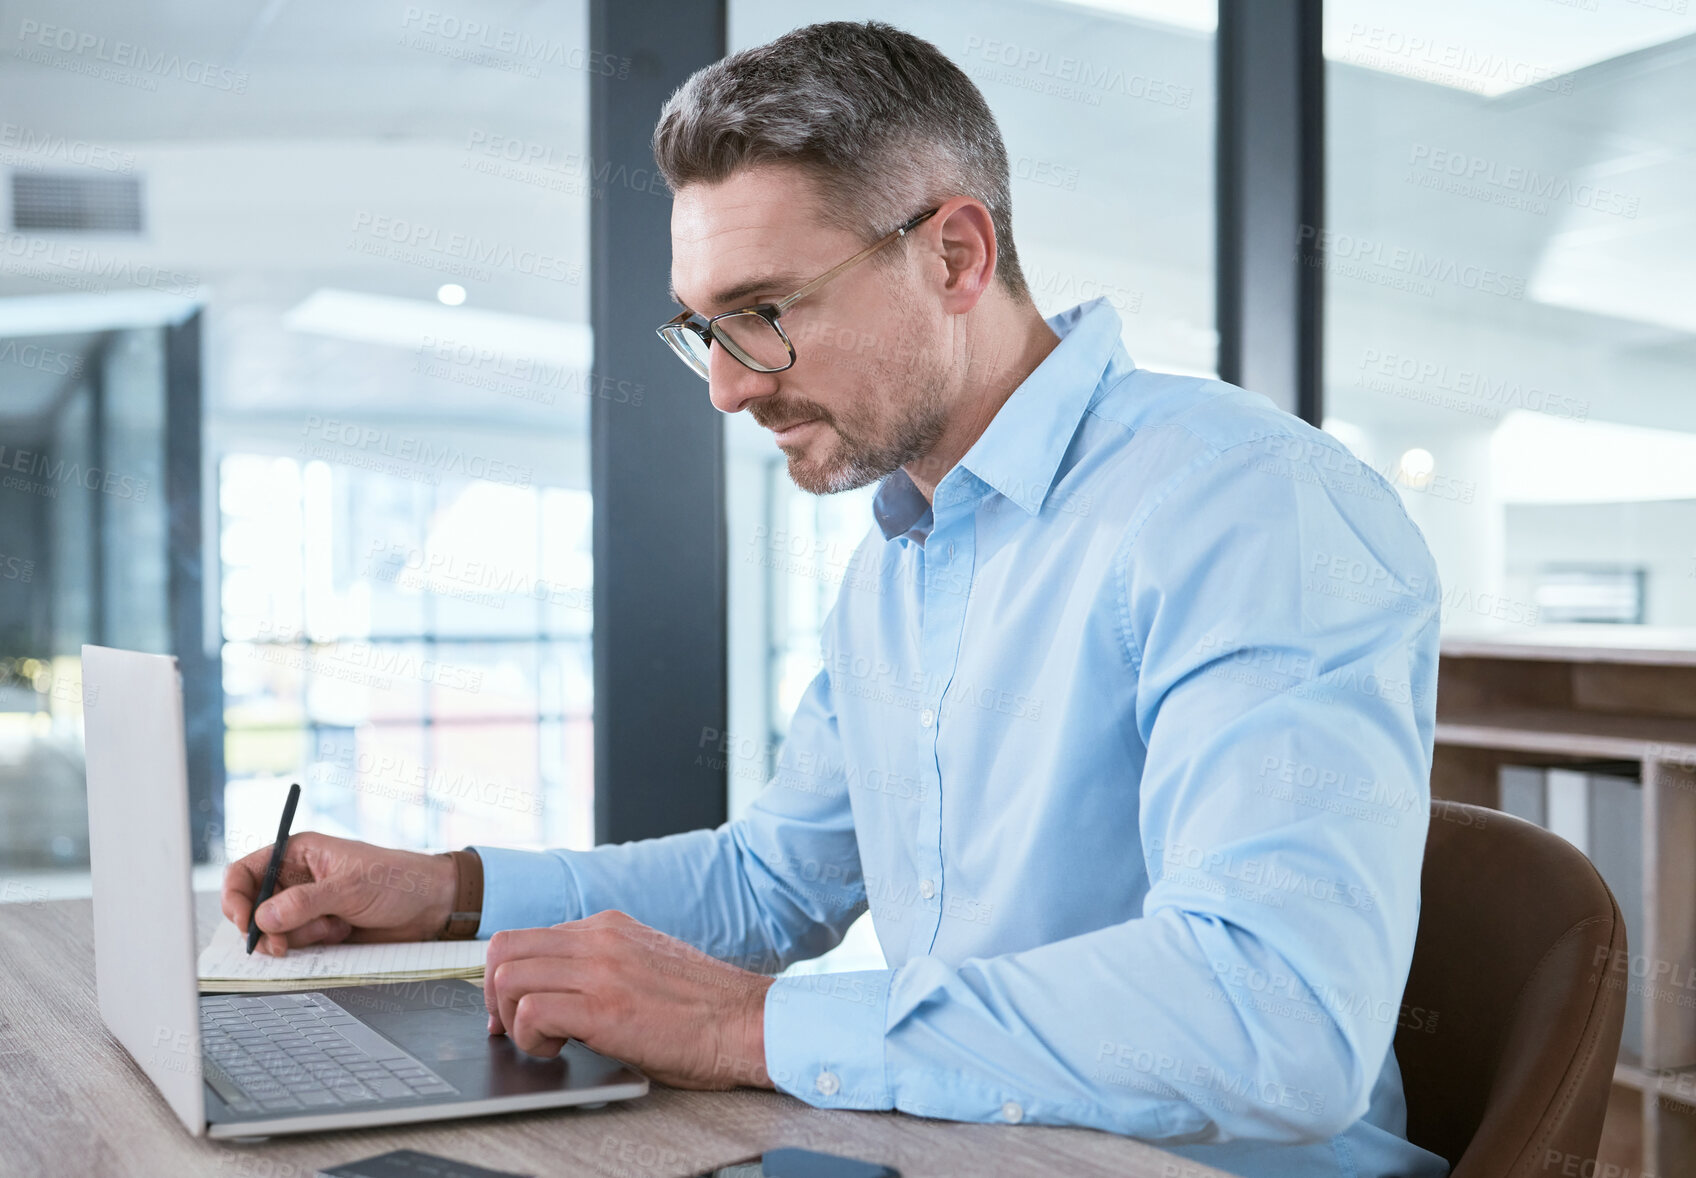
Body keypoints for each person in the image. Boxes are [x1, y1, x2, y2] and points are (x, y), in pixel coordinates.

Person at [224, 21, 1448, 1177]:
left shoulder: (1248, 506)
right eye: (703, 329)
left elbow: (1275, 1014)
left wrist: (754, 1024)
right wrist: (447, 889)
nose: (725, 391)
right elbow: (770, 886)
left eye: (762, 313)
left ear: (954, 255)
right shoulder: (899, 563)